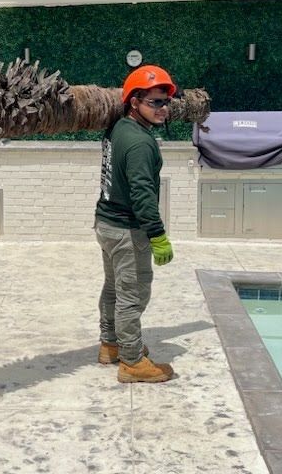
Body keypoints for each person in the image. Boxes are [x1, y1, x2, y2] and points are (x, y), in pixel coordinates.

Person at [94, 64, 178, 383]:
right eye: (155, 102)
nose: (163, 109)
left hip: (105, 223)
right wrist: (157, 236)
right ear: (134, 102)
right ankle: (131, 361)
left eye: (166, 102)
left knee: (114, 288)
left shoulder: (118, 128)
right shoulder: (141, 143)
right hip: (127, 230)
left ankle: (110, 344)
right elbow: (143, 194)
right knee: (134, 293)